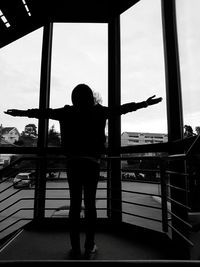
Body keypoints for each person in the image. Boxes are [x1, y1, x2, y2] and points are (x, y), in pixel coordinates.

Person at [4, 83, 162, 258]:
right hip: (92, 163)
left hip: (73, 163)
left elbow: (43, 112)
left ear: (73, 98)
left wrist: (20, 113)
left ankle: (74, 247)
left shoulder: (66, 112)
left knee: (74, 205)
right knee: (90, 205)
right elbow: (122, 109)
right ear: (90, 98)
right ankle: (89, 245)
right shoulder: (99, 111)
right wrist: (145, 104)